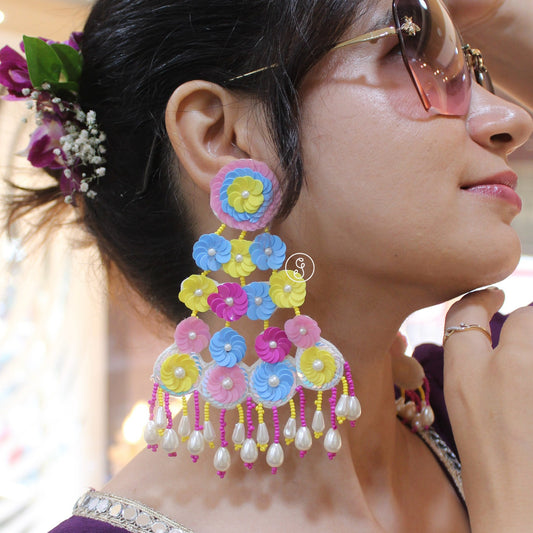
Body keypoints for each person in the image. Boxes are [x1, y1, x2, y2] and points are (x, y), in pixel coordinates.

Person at [2, 0, 533, 532]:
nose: (511, 119)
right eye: (412, 53)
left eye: (471, 70)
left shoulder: (496, 401)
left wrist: (499, 15)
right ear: (223, 137)